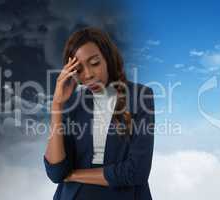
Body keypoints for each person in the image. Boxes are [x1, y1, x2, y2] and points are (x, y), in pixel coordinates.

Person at [43, 27, 155, 200]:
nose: (88, 75)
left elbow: (136, 172)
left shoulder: (141, 96)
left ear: (108, 59)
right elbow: (56, 173)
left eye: (94, 63)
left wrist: (74, 175)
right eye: (79, 69)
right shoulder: (72, 103)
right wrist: (57, 105)